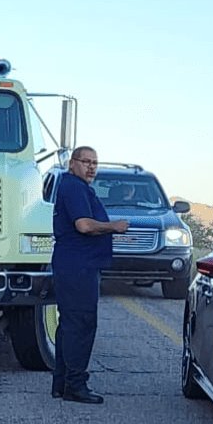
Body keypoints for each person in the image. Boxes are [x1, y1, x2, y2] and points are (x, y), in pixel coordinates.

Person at [51, 147, 129, 404]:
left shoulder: (76, 186)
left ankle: (61, 383)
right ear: (73, 163)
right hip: (77, 266)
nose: (92, 167)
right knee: (81, 324)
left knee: (69, 324)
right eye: (86, 162)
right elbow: (83, 225)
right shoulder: (73, 187)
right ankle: (75, 385)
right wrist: (113, 227)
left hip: (77, 264)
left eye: (95, 163)